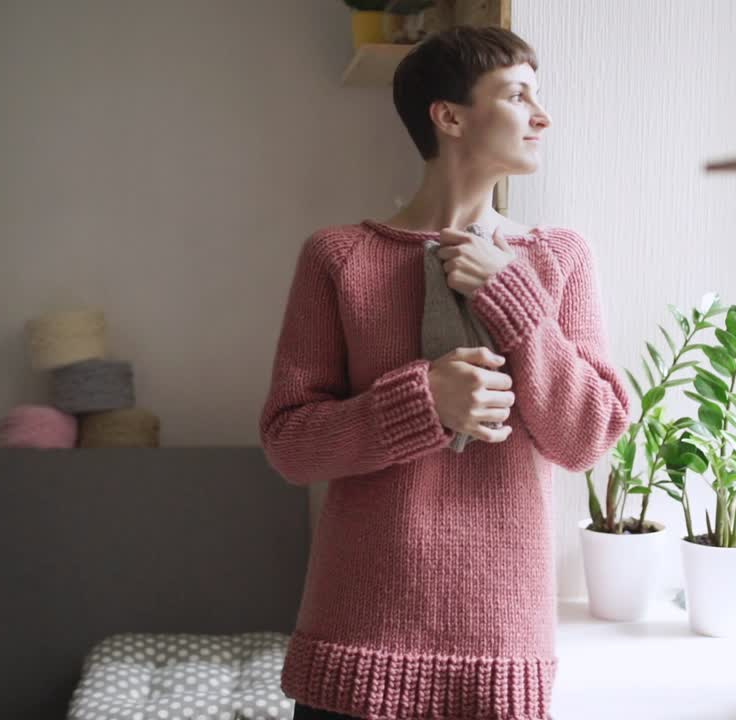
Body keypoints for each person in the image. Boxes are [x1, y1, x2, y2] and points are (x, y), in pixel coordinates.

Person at [259, 25, 630, 720]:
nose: (542, 116)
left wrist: (515, 300)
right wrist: (422, 400)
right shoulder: (339, 258)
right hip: (356, 639)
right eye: (519, 95)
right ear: (449, 115)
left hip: (499, 648)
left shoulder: (558, 259)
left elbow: (587, 435)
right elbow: (289, 443)